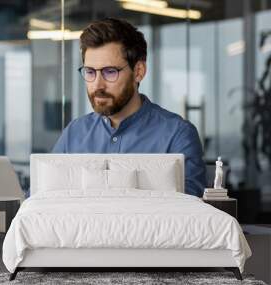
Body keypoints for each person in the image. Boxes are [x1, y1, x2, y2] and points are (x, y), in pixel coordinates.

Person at [52, 18, 206, 197]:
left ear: (138, 72)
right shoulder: (74, 133)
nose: (97, 85)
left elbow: (191, 215)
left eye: (110, 72)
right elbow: (40, 201)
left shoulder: (177, 135)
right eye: (90, 72)